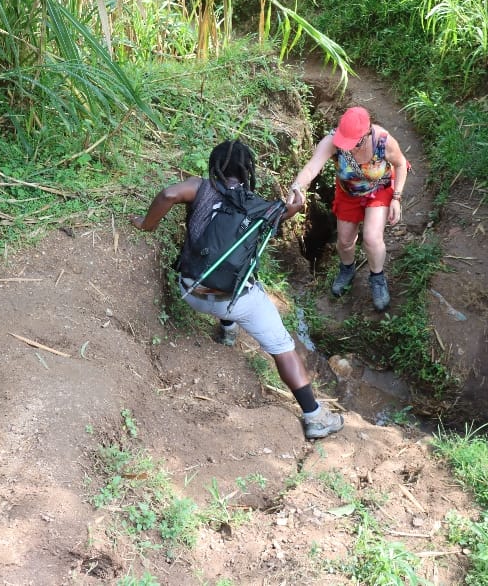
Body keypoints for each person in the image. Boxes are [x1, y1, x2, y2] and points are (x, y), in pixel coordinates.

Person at [129, 140, 344, 440]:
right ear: (247, 172)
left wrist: (146, 224)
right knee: (282, 347)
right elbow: (288, 210)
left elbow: (168, 194)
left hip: (190, 290)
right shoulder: (263, 207)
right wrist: (295, 207)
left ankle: (227, 331)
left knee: (216, 263)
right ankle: (315, 416)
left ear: (215, 166)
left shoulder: (199, 188)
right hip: (235, 301)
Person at [287, 106, 409, 311]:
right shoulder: (332, 142)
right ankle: (347, 269)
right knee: (344, 241)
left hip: (379, 189)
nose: (347, 146)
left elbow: (401, 164)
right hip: (348, 192)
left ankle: (377, 278)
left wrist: (396, 197)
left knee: (372, 238)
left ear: (366, 133)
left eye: (352, 142)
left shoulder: (383, 141)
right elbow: (311, 167)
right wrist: (297, 186)